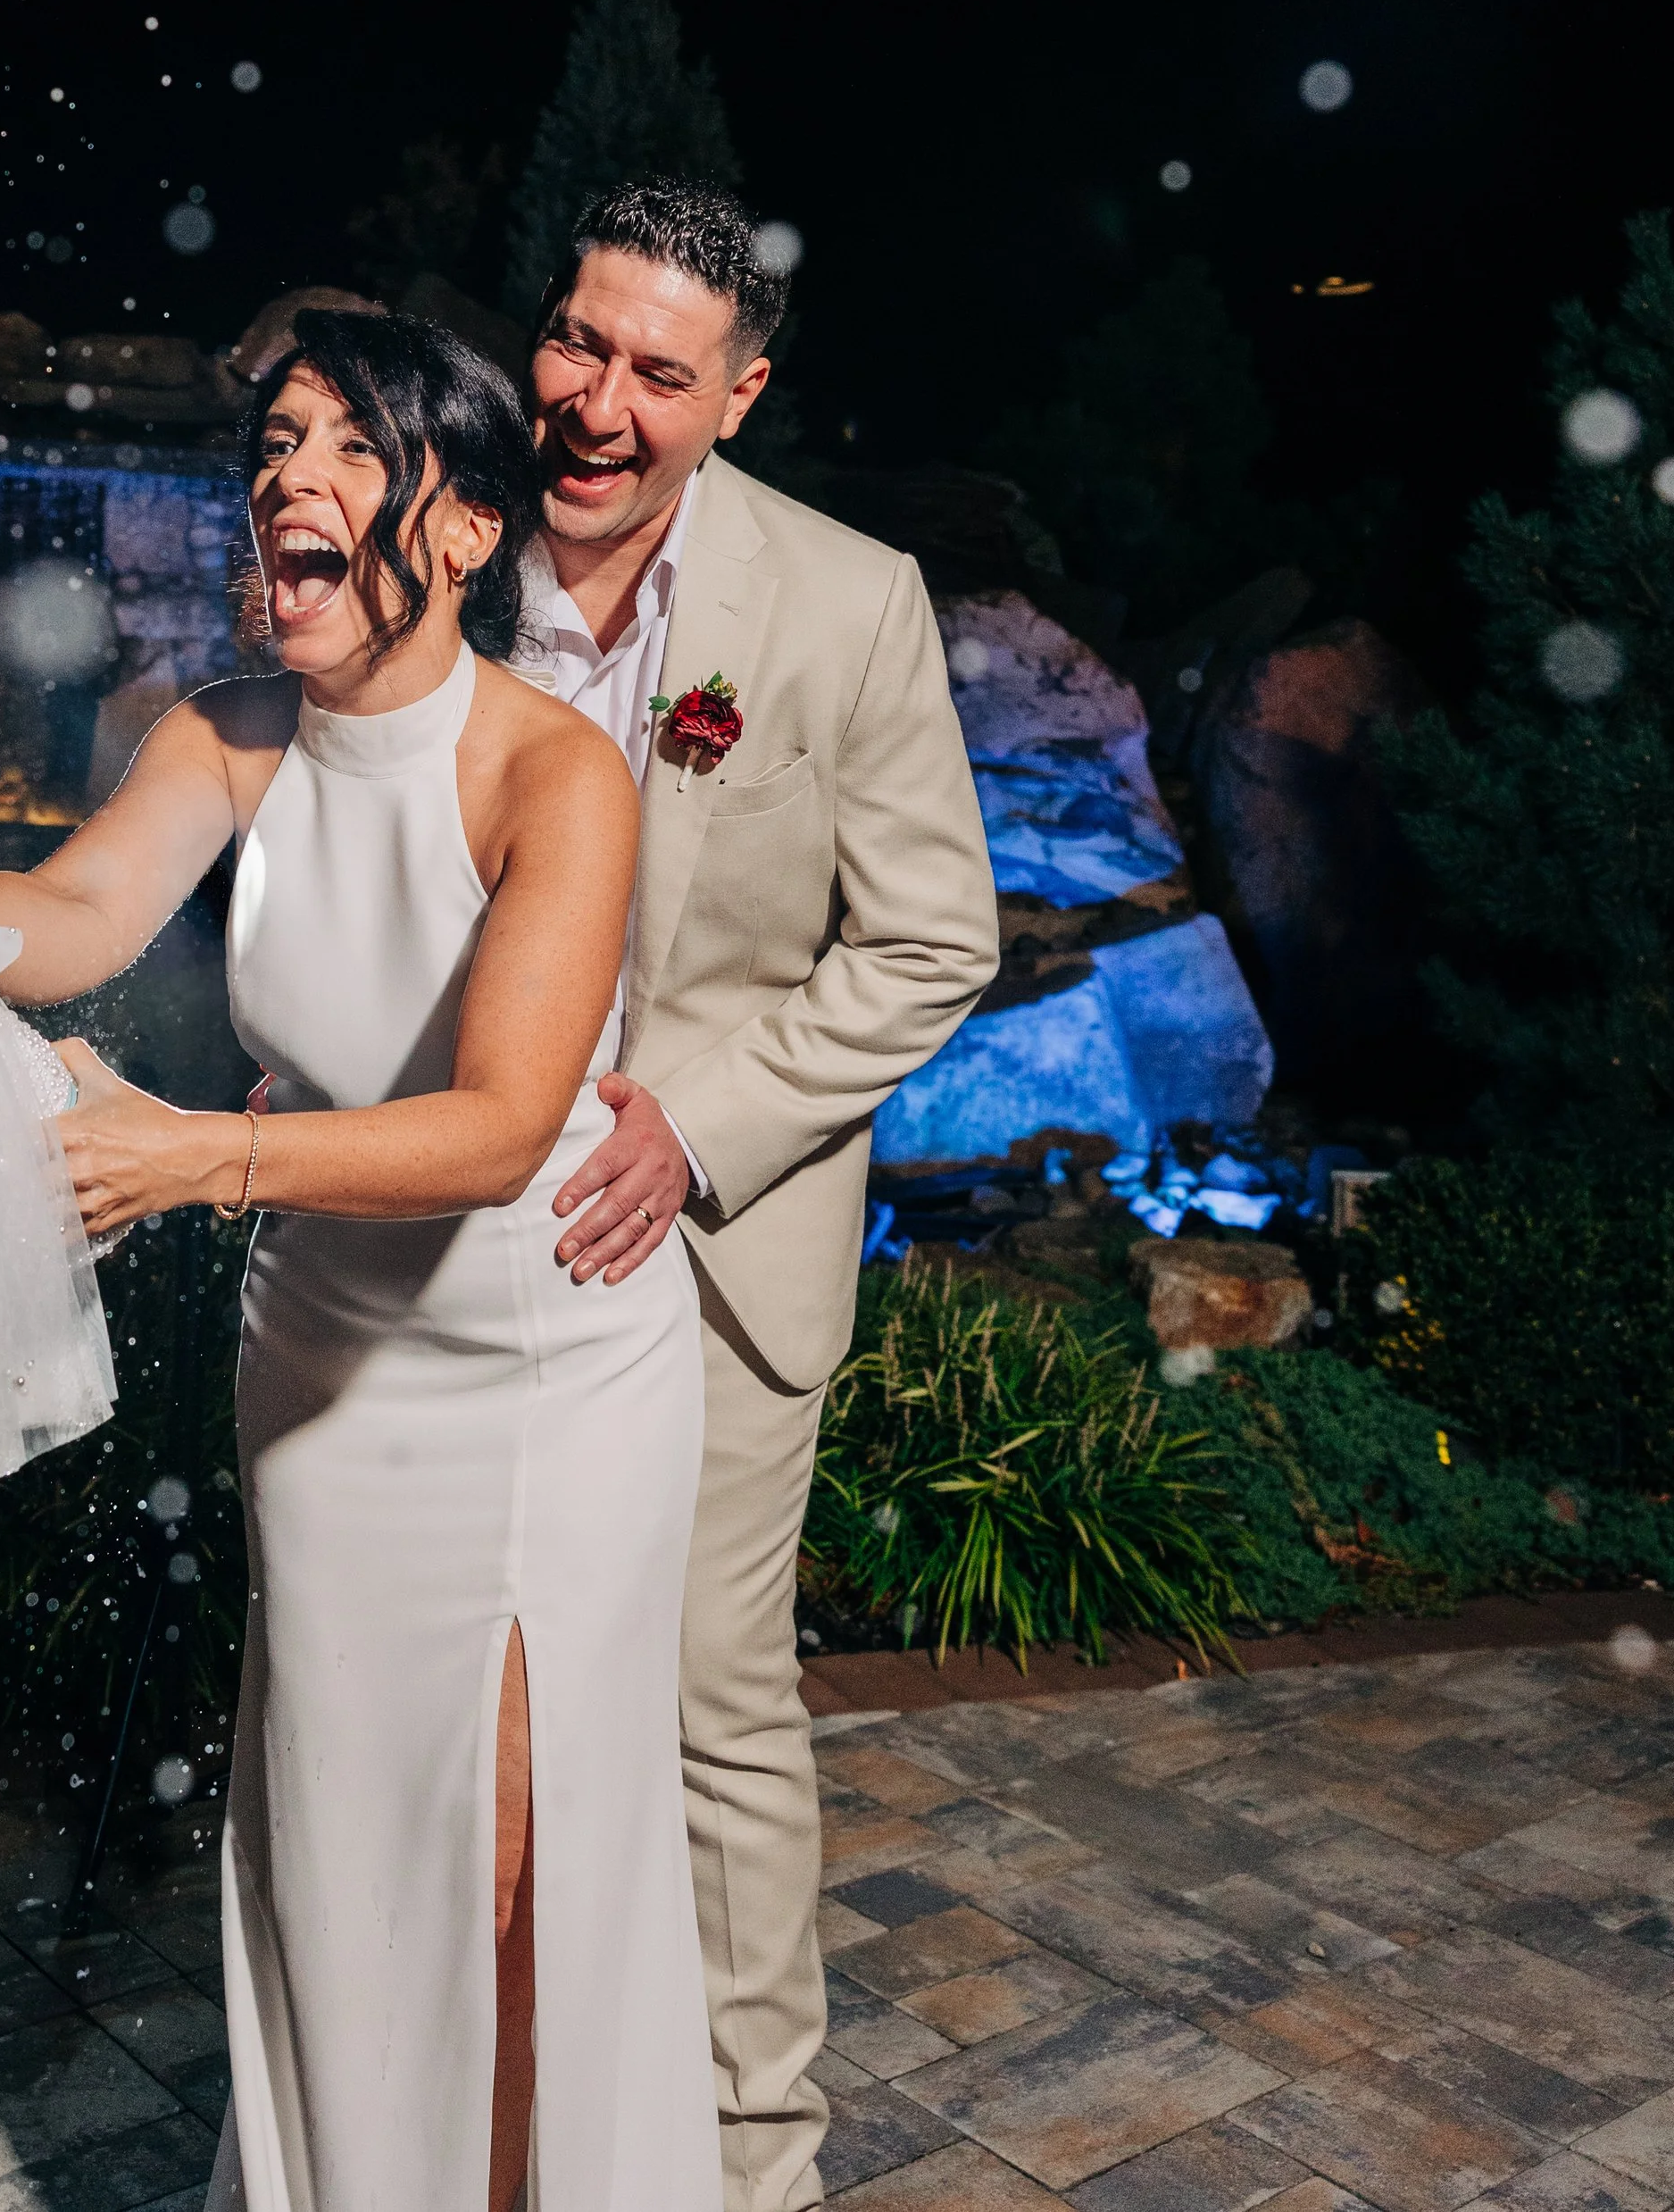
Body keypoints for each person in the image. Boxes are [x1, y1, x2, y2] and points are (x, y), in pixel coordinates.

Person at [0, 309, 720, 2212]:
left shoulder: (558, 779)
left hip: (553, 1381)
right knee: (353, 1862)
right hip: (325, 1382)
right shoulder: (226, 733)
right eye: (275, 442)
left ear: (459, 531)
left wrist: (202, 1155)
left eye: (350, 450)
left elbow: (503, 1125)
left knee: (523, 1864)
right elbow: (75, 908)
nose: (289, 476)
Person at [508, 179, 999, 2212]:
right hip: (440, 1235)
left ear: (738, 399)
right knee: (473, 1694)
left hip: (708, 1240)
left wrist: (684, 1123)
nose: (600, 401)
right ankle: (497, 2116)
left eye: (656, 370)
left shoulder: (843, 599)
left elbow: (927, 942)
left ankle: (749, 2164)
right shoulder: (431, 551)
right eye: (579, 342)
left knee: (708, 1712)